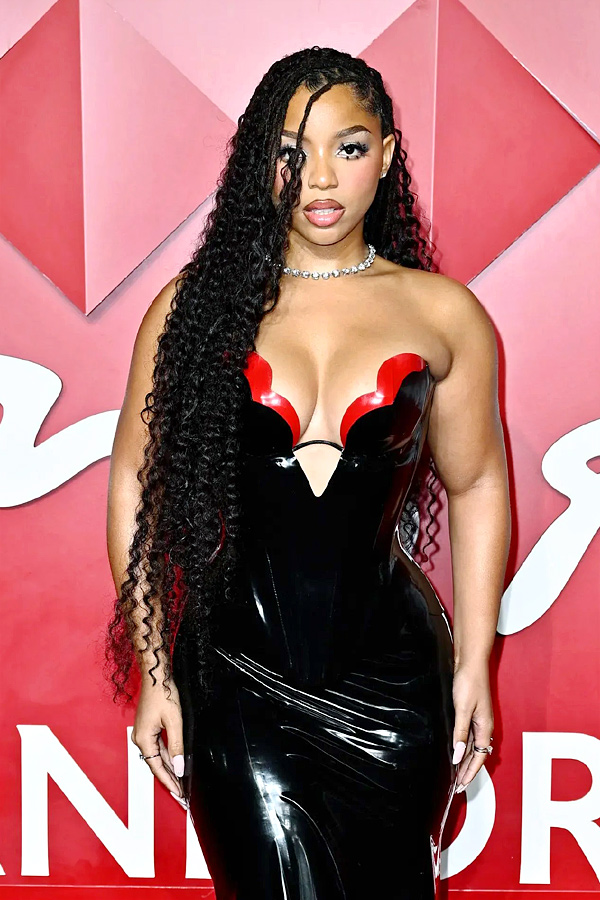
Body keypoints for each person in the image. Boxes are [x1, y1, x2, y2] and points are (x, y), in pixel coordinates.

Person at [105, 46, 510, 900]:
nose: (320, 177)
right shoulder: (195, 308)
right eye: (292, 152)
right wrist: (154, 669)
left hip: (396, 685)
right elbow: (136, 481)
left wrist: (475, 661)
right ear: (262, 162)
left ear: (387, 156)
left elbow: (477, 484)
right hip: (237, 679)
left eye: (348, 147)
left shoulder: (445, 314)